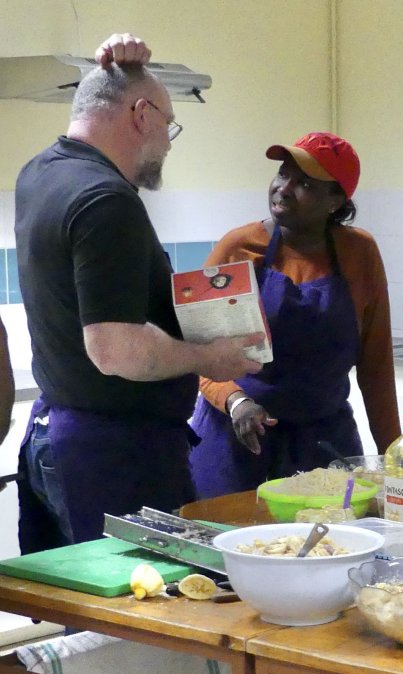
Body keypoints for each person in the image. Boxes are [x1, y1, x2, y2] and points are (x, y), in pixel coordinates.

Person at [14, 34, 262, 553]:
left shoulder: (39, 173)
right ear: (142, 113)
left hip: (58, 433)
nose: (169, 142)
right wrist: (208, 356)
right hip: (112, 453)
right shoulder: (107, 200)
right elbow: (115, 350)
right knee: (141, 617)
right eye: (169, 125)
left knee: (89, 617)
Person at [187, 132, 400, 498]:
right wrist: (236, 400)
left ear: (336, 201)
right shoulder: (238, 248)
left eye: (304, 183)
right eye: (283, 174)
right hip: (238, 441)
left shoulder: (359, 253)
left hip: (323, 448)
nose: (284, 188)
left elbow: (376, 365)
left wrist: (396, 461)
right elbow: (197, 351)